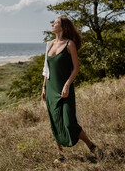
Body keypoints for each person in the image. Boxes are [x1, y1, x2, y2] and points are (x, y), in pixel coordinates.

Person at [41, 16, 105, 162]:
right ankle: (60, 155)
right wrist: (44, 87)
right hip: (51, 88)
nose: (52, 24)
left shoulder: (70, 44)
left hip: (65, 89)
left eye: (55, 23)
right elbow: (47, 69)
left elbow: (76, 68)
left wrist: (67, 84)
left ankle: (93, 147)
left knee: (70, 122)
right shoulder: (49, 44)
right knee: (55, 121)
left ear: (63, 27)